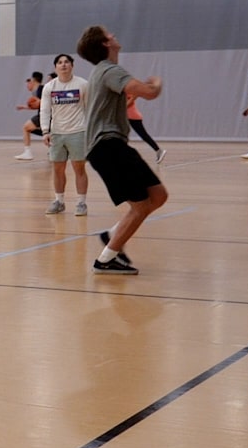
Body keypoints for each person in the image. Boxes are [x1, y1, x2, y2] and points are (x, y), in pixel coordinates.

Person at [78, 25, 167, 274]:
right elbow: (150, 93)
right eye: (110, 35)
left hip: (111, 145)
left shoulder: (102, 72)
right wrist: (156, 82)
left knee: (158, 195)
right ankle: (106, 259)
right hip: (107, 146)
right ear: (105, 44)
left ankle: (111, 235)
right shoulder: (110, 70)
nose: (114, 35)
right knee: (140, 205)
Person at [40, 53, 91, 216]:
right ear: (56, 67)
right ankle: (59, 201)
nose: (63, 65)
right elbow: (45, 110)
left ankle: (81, 203)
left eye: (67, 62)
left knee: (79, 168)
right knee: (58, 169)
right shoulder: (49, 87)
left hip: (78, 132)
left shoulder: (83, 84)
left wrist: (90, 131)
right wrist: (45, 131)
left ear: (72, 66)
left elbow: (90, 109)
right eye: (60, 62)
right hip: (57, 133)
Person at [126, 92, 164, 164]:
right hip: (127, 116)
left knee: (143, 135)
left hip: (132, 117)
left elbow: (134, 96)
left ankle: (159, 150)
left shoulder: (127, 90)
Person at [15, 71, 44, 159]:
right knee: (36, 130)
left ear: (32, 80)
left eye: (28, 83)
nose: (27, 86)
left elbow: (45, 103)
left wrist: (39, 102)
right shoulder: (36, 92)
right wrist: (24, 107)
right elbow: (37, 106)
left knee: (26, 128)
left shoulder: (41, 89)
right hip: (44, 115)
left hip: (45, 115)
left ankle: (28, 153)